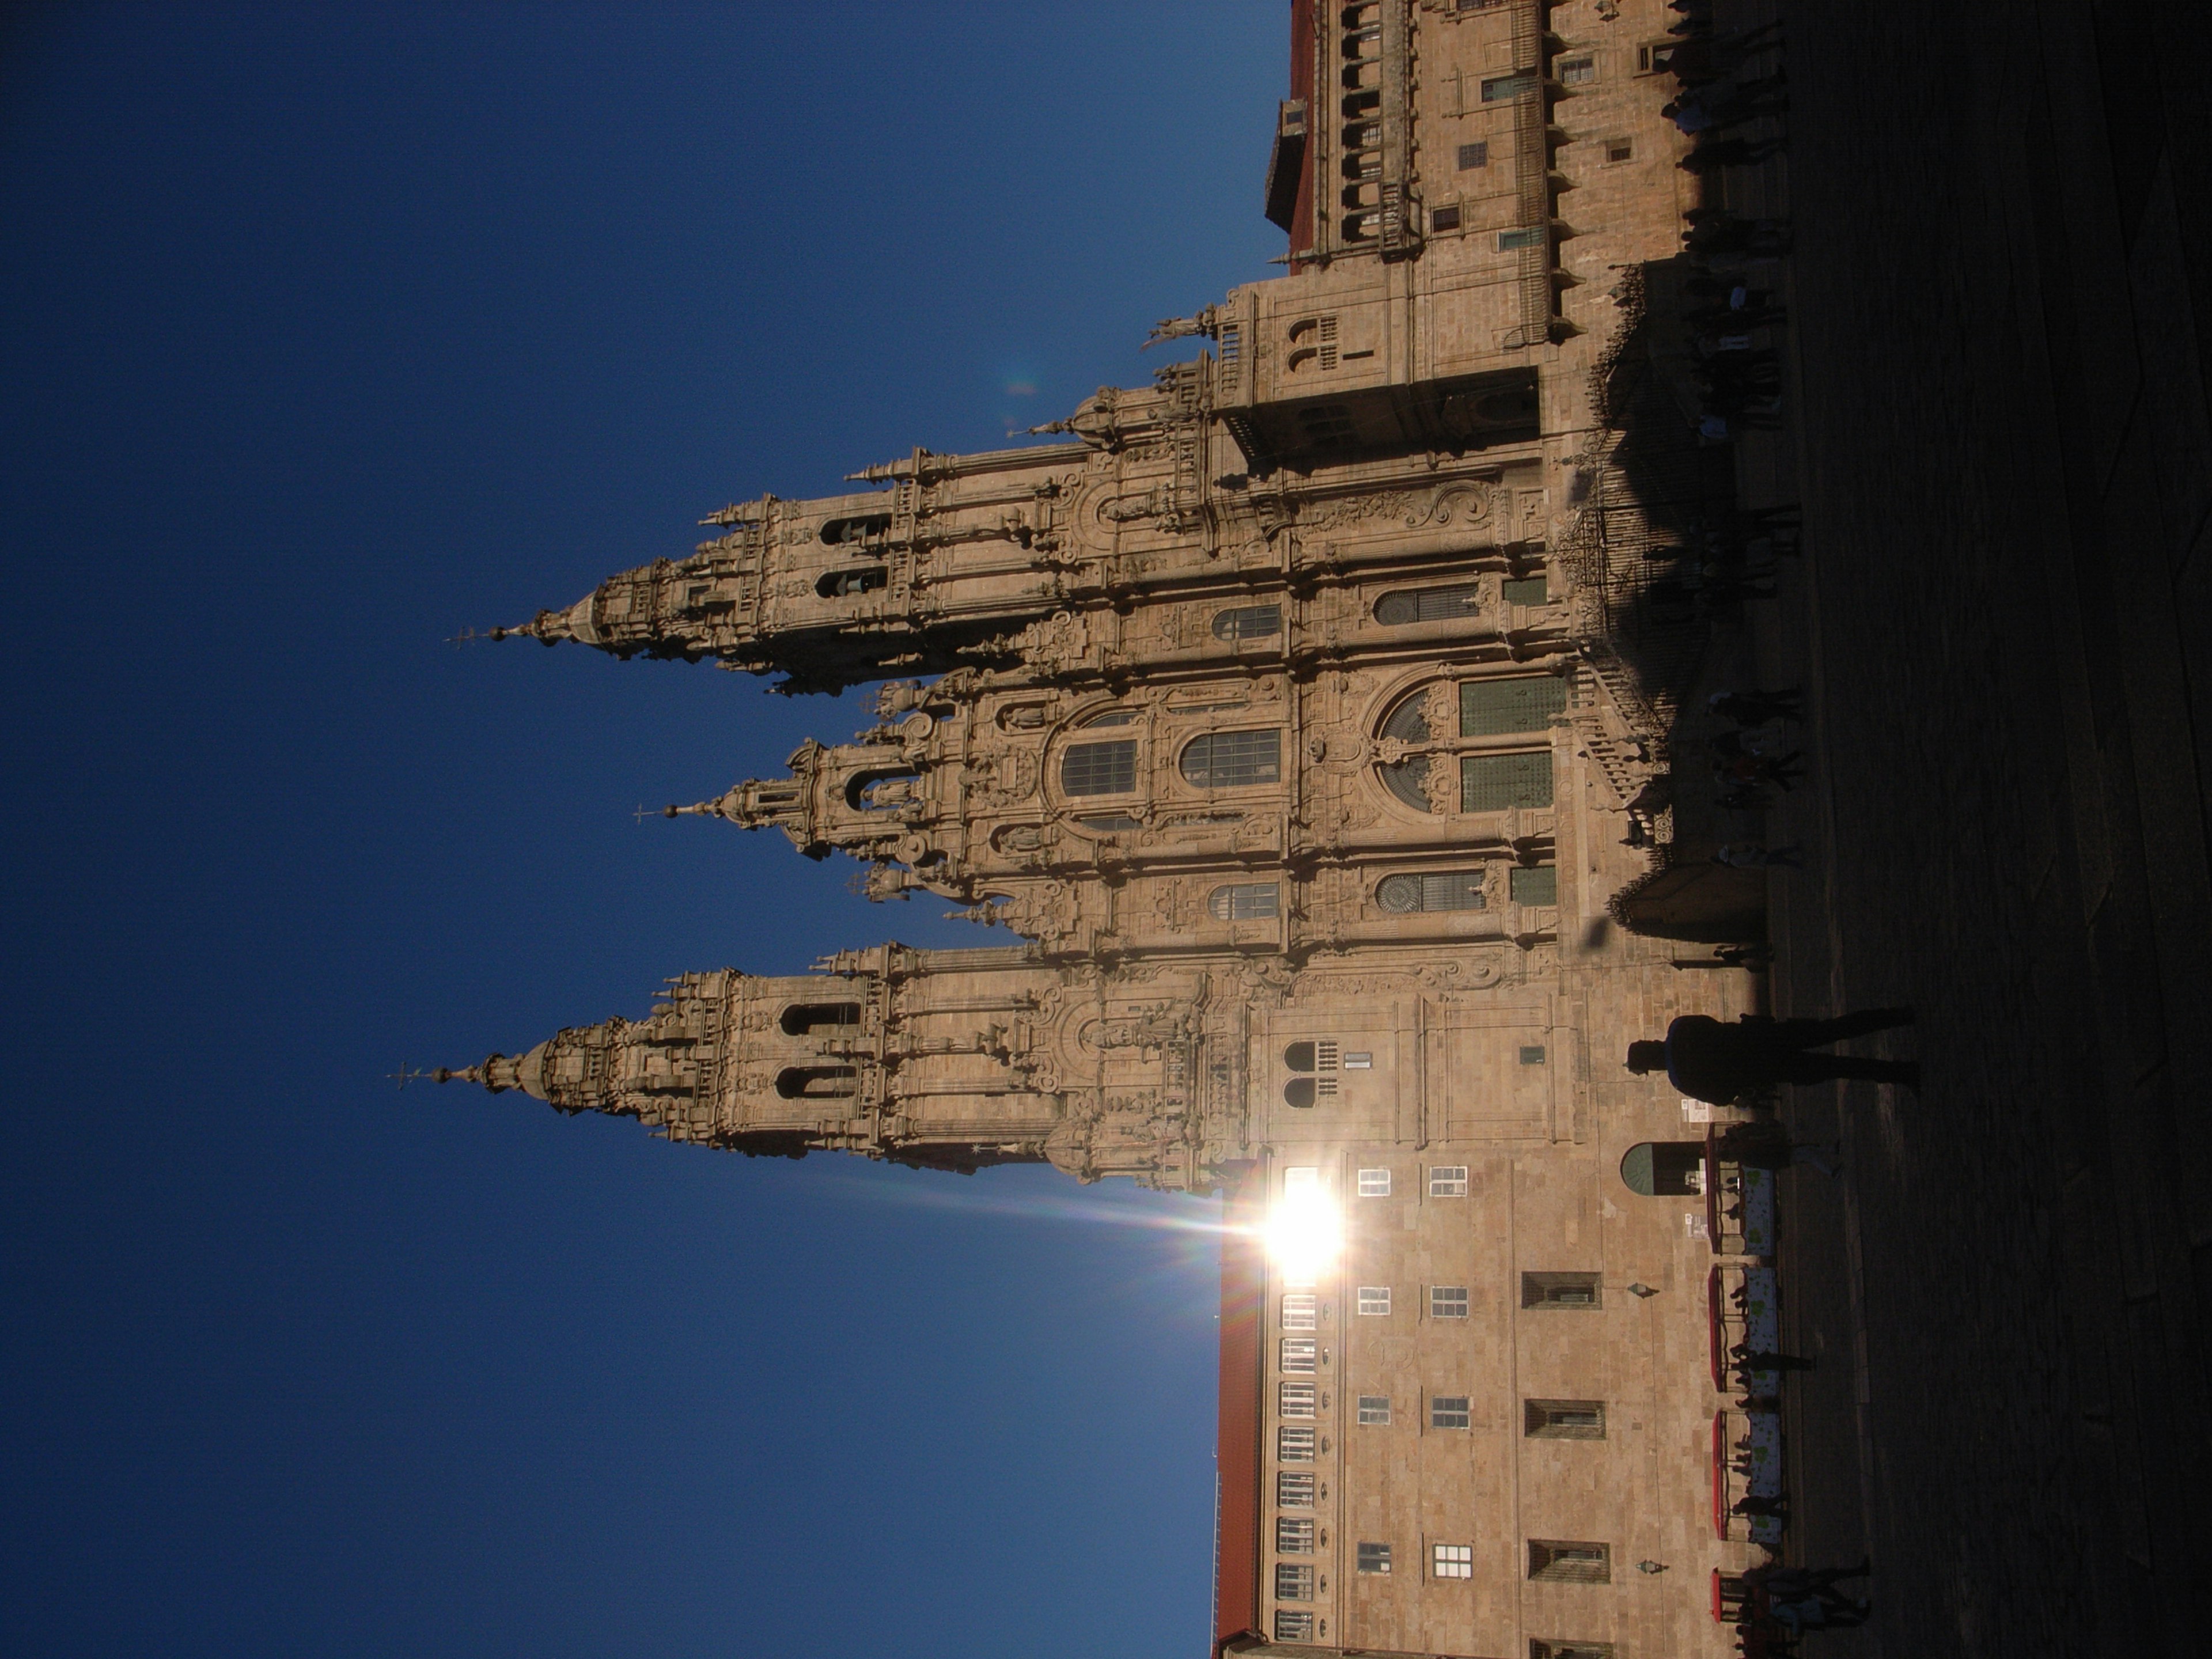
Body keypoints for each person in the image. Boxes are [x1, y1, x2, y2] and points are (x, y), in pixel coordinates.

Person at [1626, 1009, 1919, 1103]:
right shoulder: (1680, 1026)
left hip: (1766, 1068)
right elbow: (1713, 1024)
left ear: (1654, 1066)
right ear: (1651, 1042)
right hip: (1765, 1036)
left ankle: (1902, 1073)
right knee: (1835, 1028)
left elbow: (1724, 1096)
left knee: (1838, 1067)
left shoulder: (1684, 1081)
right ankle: (1898, 1016)